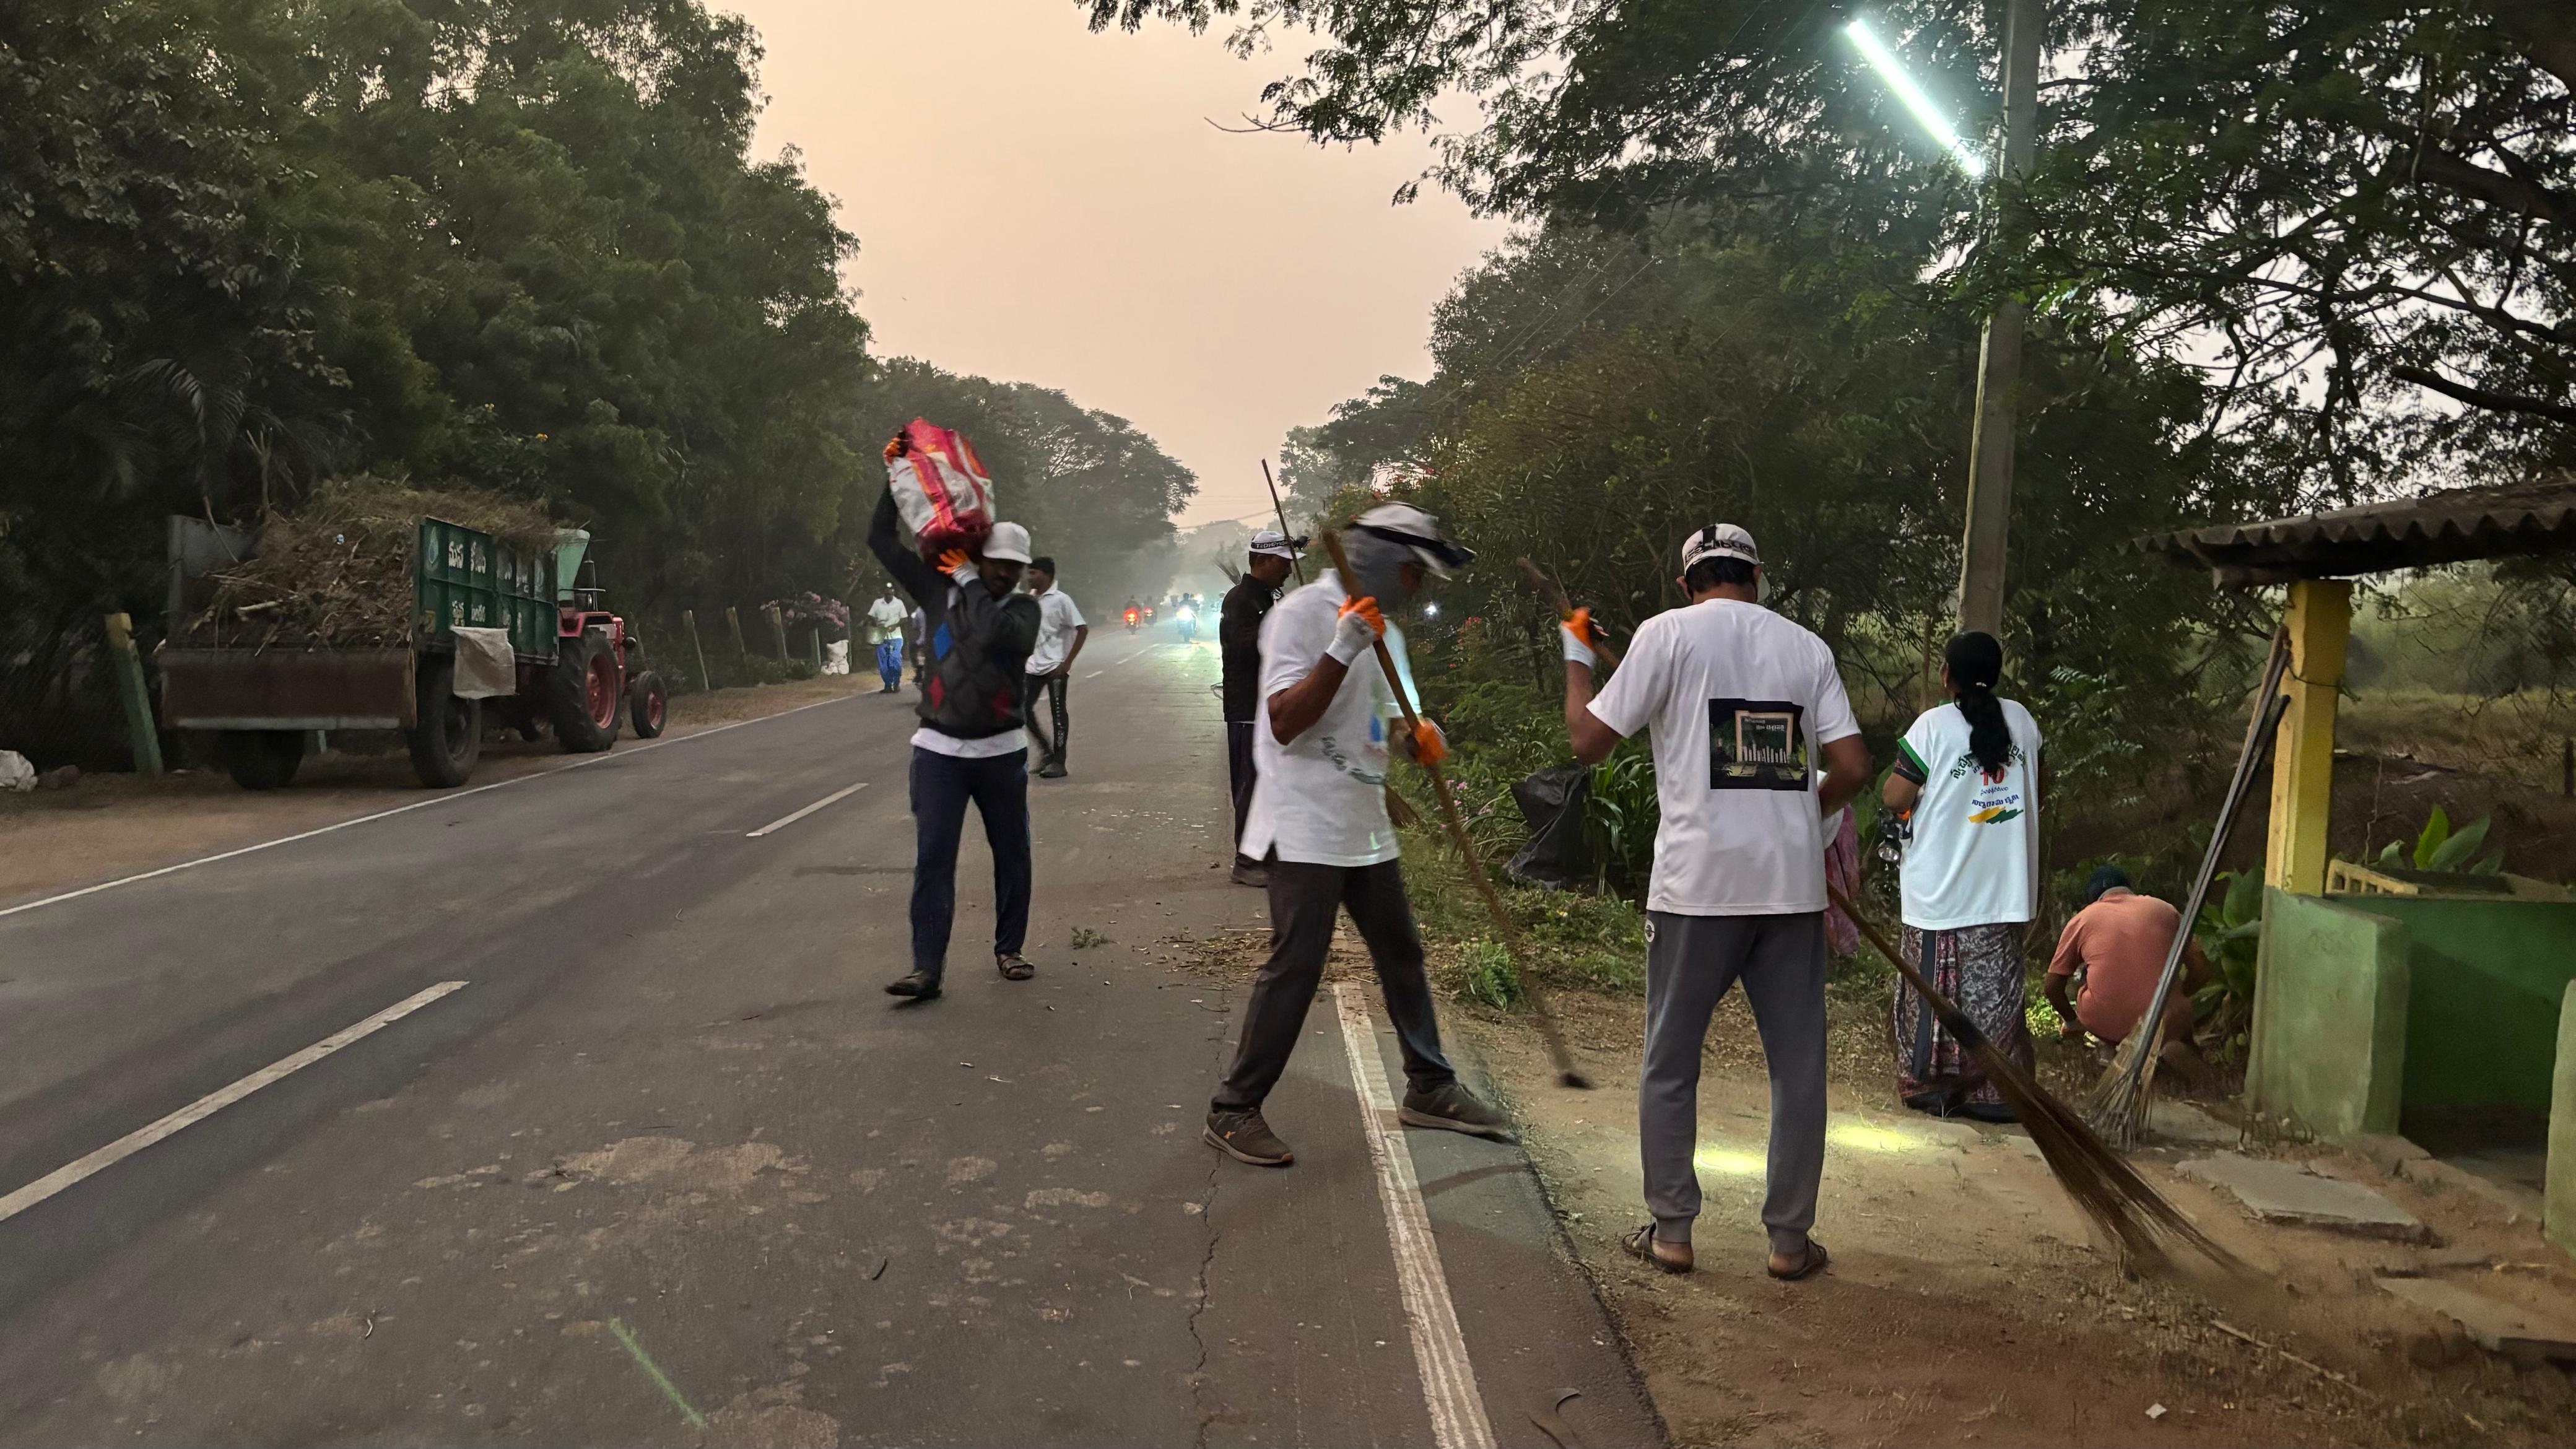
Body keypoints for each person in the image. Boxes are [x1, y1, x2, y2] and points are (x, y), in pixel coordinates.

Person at [1561, 524, 1871, 1282]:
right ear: (1755, 576)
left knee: (1671, 1061)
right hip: (1788, 891)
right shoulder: (1805, 648)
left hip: (1695, 889)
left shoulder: (1665, 636)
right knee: (1796, 1069)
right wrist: (1800, 817)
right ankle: (1788, 1243)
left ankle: (1672, 1233)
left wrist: (1575, 657)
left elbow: (1587, 741)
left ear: (1685, 583)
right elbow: (1853, 766)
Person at [1205, 503, 1510, 1167]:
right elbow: (1283, 720)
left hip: (1362, 819)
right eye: (1413, 572)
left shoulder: (1388, 633)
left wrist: (1417, 738)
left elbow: (1389, 722)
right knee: (1297, 965)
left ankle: (1429, 1085)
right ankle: (1233, 1109)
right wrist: (1342, 646)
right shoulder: (1299, 616)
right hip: (1302, 820)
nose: (1417, 588)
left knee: (1401, 952)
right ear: (1380, 562)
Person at [867, 486, 1043, 1001]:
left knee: (1012, 856)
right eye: (997, 562)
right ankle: (926, 970)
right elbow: (881, 540)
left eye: (1014, 567)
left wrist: (967, 579)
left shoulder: (1023, 612)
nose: (1005, 573)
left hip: (1001, 753)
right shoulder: (937, 592)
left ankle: (1009, 949)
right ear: (979, 556)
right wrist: (894, 483)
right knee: (933, 860)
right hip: (938, 752)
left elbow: (989, 632)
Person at [1881, 631, 2045, 1121]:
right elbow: (2038, 786)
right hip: (2004, 887)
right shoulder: (2024, 722)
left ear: (1945, 674)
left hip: (1941, 889)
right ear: (1995, 674)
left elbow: (1895, 796)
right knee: (1995, 994)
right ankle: (1996, 1093)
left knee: (1936, 991)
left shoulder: (1932, 727)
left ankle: (1933, 1088)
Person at [2047, 865, 2212, 1082]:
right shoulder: (2166, 910)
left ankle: (2111, 1048)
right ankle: (2173, 1049)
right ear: (2129, 889)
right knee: (2175, 1026)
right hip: (2166, 1018)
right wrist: (2175, 998)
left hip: (2106, 1020)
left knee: (2089, 976)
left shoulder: (2082, 919)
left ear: (2094, 897)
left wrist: (2072, 1022)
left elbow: (2052, 987)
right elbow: (2202, 969)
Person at [1221, 529, 1302, 887]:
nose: (1288, 570)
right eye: (1283, 563)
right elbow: (1241, 648)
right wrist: (1280, 629)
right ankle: (1247, 861)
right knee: (1249, 786)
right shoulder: (1239, 600)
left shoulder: (1271, 599)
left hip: (1271, 706)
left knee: (1270, 784)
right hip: (1247, 709)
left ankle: (1269, 854)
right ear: (1264, 561)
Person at [1022, 555, 1087, 779]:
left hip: (1055, 668)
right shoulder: (1029, 600)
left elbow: (1082, 629)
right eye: (1029, 572)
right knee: (1022, 710)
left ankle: (1059, 762)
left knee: (1058, 713)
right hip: (1032, 666)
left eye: (1034, 573)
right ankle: (1046, 752)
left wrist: (1067, 662)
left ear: (1047, 575)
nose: (1029, 577)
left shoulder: (1062, 600)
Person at [865, 583, 909, 693]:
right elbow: (871, 615)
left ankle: (896, 684)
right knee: (883, 663)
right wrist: (876, 623)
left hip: (895, 637)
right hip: (881, 637)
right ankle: (888, 685)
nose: (889, 595)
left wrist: (895, 625)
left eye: (891, 593)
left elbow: (904, 618)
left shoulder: (899, 603)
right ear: (883, 593)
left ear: (893, 592)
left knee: (895, 660)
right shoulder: (877, 603)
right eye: (887, 593)